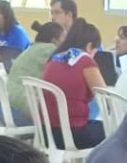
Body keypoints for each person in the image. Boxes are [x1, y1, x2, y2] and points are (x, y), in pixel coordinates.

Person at [43, 19, 106, 149]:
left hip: (46, 132)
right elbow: (105, 98)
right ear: (89, 46)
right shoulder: (85, 61)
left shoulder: (54, 59)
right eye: (95, 51)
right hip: (73, 135)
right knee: (114, 130)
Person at [7, 21, 61, 123]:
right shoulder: (50, 50)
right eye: (64, 37)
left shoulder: (31, 48)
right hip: (16, 111)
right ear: (55, 40)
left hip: (2, 104)